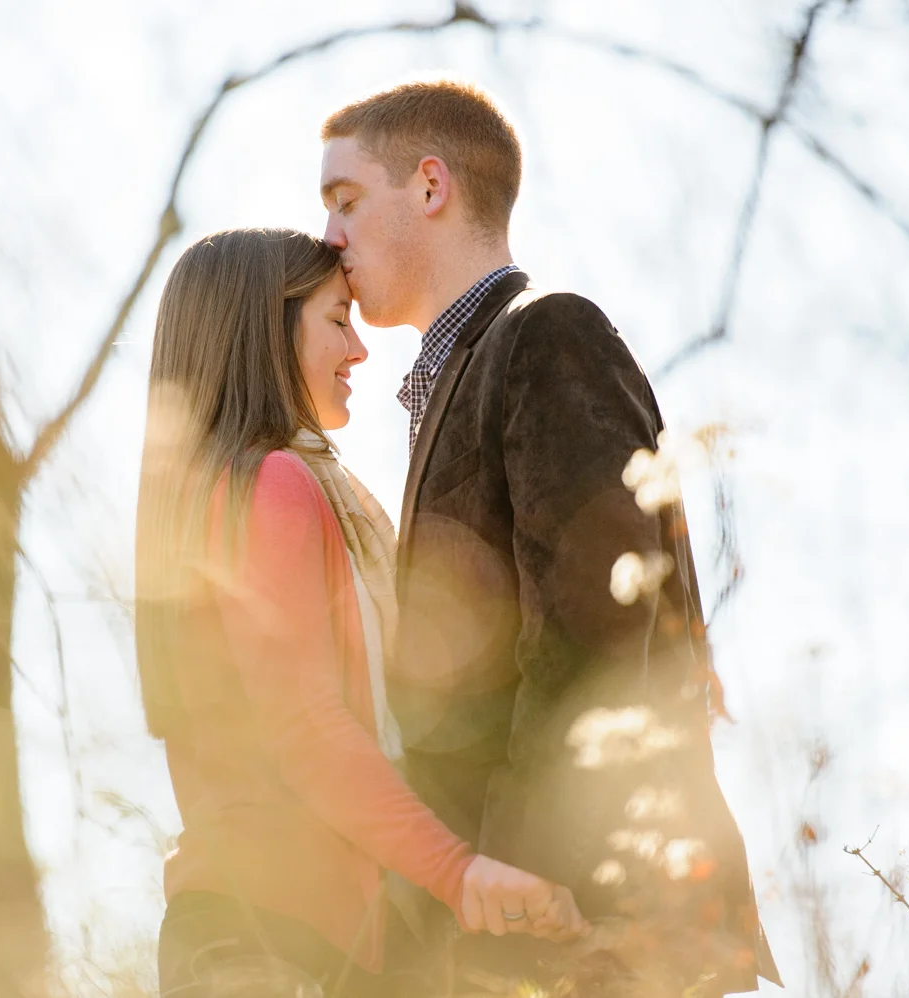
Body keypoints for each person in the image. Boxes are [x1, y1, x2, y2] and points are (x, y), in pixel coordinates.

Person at [318, 81, 783, 995]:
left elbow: (592, 632)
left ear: (430, 185)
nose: (330, 237)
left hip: (599, 916)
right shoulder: (449, 386)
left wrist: (511, 888)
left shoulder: (547, 337)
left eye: (345, 201)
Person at [135, 228, 589, 998]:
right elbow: (305, 726)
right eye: (337, 320)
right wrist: (458, 872)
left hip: (269, 931)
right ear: (264, 330)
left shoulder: (210, 500)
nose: (360, 351)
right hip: (274, 941)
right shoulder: (274, 483)